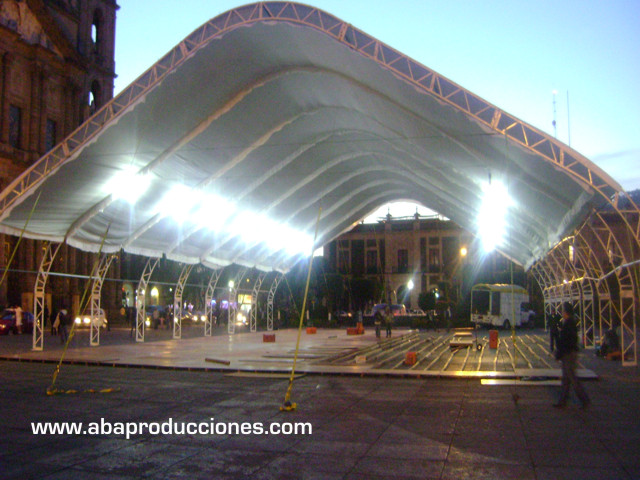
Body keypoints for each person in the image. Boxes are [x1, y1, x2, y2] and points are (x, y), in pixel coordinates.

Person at [553, 302, 590, 409]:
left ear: (566, 312)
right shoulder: (570, 323)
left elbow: (566, 341)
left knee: (572, 378)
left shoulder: (569, 324)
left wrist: (559, 352)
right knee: (566, 379)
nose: (562, 313)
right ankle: (563, 401)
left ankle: (584, 400)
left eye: (563, 311)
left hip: (568, 354)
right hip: (569, 353)